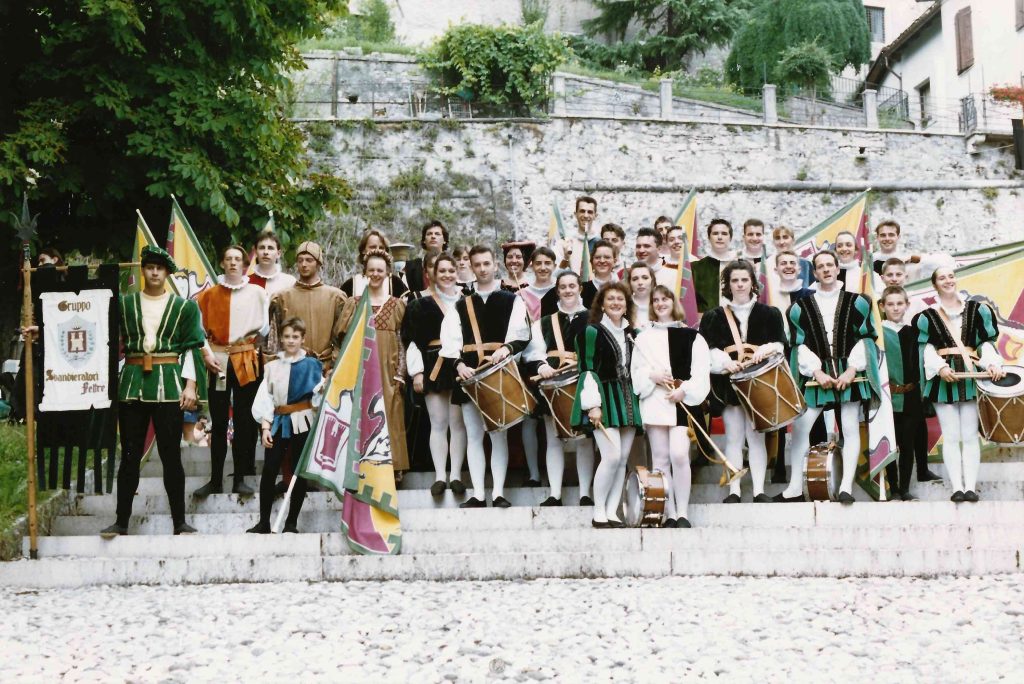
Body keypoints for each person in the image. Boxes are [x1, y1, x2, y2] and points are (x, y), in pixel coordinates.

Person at [101, 246, 205, 538]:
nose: (155, 272)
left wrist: (190, 385)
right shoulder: (124, 304)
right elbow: (97, 329)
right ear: (142, 270)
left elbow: (191, 349)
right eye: (150, 267)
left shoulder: (184, 307)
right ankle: (121, 522)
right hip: (133, 383)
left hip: (169, 385)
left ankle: (179, 523)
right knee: (130, 455)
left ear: (168, 272)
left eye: (160, 267)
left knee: (171, 455)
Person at [776, 250, 882, 505]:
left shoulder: (859, 302)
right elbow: (799, 345)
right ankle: (793, 488)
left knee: (848, 427)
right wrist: (817, 371)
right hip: (818, 376)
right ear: (815, 273)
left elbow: (865, 338)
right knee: (801, 427)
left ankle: (846, 486)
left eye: (829, 265)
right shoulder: (798, 308)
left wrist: (851, 370)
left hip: (850, 374)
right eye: (820, 266)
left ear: (837, 269)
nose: (825, 270)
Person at [441, 245, 531, 508]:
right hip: (469, 375)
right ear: (470, 266)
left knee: (498, 433)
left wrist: (505, 349)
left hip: (498, 373)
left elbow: (521, 334)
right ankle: (479, 493)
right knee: (473, 435)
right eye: (477, 264)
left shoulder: (511, 300)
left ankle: (499, 492)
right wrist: (458, 365)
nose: (482, 269)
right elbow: (450, 340)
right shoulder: (461, 305)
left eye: (486, 264)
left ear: (495, 266)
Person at [914, 266, 1004, 502]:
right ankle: (957, 488)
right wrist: (941, 368)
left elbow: (985, 344)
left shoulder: (977, 310)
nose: (948, 280)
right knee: (951, 435)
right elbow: (927, 349)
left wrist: (992, 364)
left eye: (951, 276)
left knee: (970, 435)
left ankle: (970, 487)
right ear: (934, 284)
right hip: (945, 378)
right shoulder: (928, 316)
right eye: (941, 277)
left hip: (970, 376)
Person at [700, 261, 786, 504]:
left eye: (744, 280)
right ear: (728, 284)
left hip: (760, 383)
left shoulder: (770, 314)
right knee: (734, 438)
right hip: (730, 386)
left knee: (756, 437)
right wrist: (724, 362)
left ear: (752, 283)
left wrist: (766, 350)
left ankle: (759, 490)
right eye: (735, 280)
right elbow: (708, 349)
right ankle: (734, 490)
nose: (739, 285)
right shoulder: (713, 316)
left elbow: (780, 344)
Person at [632, 285, 710, 527]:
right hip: (655, 402)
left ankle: (684, 511)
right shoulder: (643, 338)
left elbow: (701, 371)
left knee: (679, 454)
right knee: (661, 459)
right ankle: (670, 513)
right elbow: (636, 372)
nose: (660, 303)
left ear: (673, 302)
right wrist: (651, 376)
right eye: (655, 300)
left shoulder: (692, 336)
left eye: (665, 299)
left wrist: (684, 390)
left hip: (681, 402)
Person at [194, 245, 268, 497]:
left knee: (245, 419)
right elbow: (198, 332)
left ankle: (240, 477)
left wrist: (250, 348)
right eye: (229, 259)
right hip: (218, 361)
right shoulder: (207, 296)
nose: (233, 263)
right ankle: (215, 479)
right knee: (218, 419)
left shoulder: (257, 293)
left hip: (245, 359)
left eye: (238, 259)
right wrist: (207, 354)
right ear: (222, 263)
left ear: (244, 264)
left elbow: (265, 329)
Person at [571, 282, 642, 528]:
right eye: (610, 299)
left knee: (622, 459)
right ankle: (598, 510)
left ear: (627, 305)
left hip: (628, 398)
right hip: (604, 396)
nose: (615, 303)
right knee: (611, 455)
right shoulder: (591, 332)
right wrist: (592, 405)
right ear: (602, 304)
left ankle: (612, 511)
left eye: (620, 299)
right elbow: (587, 370)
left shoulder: (634, 334)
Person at [523, 271, 595, 506]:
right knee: (553, 439)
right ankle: (555, 494)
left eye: (572, 285)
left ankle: (585, 493)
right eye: (563, 286)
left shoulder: (594, 319)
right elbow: (534, 351)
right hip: (553, 385)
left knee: (584, 438)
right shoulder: (544, 322)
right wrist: (542, 365)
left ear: (579, 289)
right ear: (557, 290)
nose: (567, 290)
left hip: (583, 382)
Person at [337, 249, 410, 479]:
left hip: (388, 371)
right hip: (360, 370)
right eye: (371, 270)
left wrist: (400, 373)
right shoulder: (354, 304)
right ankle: (360, 466)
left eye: (380, 270)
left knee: (390, 415)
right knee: (361, 416)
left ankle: (393, 467)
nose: (376, 274)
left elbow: (402, 341)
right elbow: (340, 340)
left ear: (388, 273)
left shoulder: (398, 305)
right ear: (365, 273)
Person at [247, 317, 322, 533]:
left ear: (302, 339)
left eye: (295, 337)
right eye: (287, 336)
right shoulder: (271, 367)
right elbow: (266, 399)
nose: (291, 341)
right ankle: (264, 522)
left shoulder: (312, 366)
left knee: (299, 472)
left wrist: (321, 391)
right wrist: (265, 428)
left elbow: (318, 400)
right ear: (281, 338)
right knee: (270, 470)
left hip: (303, 421)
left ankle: (291, 522)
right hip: (279, 423)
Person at [402, 252, 468, 496]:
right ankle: (440, 476)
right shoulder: (419, 304)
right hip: (433, 364)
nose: (447, 275)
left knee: (458, 424)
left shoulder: (467, 301)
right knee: (438, 423)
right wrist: (417, 372)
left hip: (460, 365)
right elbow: (411, 341)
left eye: (451, 270)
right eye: (442, 271)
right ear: (432, 274)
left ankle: (457, 475)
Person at [879, 287, 928, 500]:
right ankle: (893, 487)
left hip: (910, 396)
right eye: (890, 304)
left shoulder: (912, 332)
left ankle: (905, 487)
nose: (895, 308)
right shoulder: (878, 334)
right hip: (887, 396)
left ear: (907, 305)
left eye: (900, 303)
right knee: (890, 442)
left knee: (908, 443)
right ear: (882, 306)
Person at [268, 241, 347, 365]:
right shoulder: (282, 298)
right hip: (292, 366)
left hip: (325, 367)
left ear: (318, 263)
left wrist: (334, 365)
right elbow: (274, 340)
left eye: (309, 260)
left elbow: (342, 338)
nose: (304, 264)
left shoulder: (336, 297)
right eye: (300, 260)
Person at [339, 230, 408, 298]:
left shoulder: (396, 284)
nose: (377, 251)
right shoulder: (351, 285)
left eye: (381, 248)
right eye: (373, 247)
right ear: (363, 250)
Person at [692, 218, 736, 313]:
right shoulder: (695, 268)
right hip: (706, 324)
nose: (719, 237)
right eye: (715, 233)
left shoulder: (741, 267)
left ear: (730, 238)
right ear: (709, 237)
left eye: (724, 234)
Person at [556, 195, 600, 274]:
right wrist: (566, 258)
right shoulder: (565, 243)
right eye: (582, 211)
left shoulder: (600, 243)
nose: (586, 215)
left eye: (590, 212)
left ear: (595, 216)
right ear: (575, 214)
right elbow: (557, 273)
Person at [248, 228, 296, 298]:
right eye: (262, 248)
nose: (266, 252)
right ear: (255, 252)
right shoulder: (246, 282)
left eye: (270, 248)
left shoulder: (289, 282)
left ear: (278, 253)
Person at [403, 221, 449, 293]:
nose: (433, 236)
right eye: (429, 234)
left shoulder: (454, 264)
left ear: (444, 240)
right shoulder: (411, 267)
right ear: (424, 240)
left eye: (437, 234)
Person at [517, 246, 560, 320]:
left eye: (547, 263)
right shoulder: (522, 295)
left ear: (554, 266)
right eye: (538, 263)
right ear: (532, 266)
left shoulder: (562, 289)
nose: (543, 268)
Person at [580, 240, 619, 309]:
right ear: (592, 261)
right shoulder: (582, 289)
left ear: (614, 261)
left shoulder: (622, 288)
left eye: (607, 257)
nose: (602, 261)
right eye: (597, 257)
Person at [626, 262, 655, 328]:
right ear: (629, 282)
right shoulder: (624, 306)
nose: (640, 282)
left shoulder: (661, 304)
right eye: (635, 279)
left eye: (645, 278)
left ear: (652, 280)